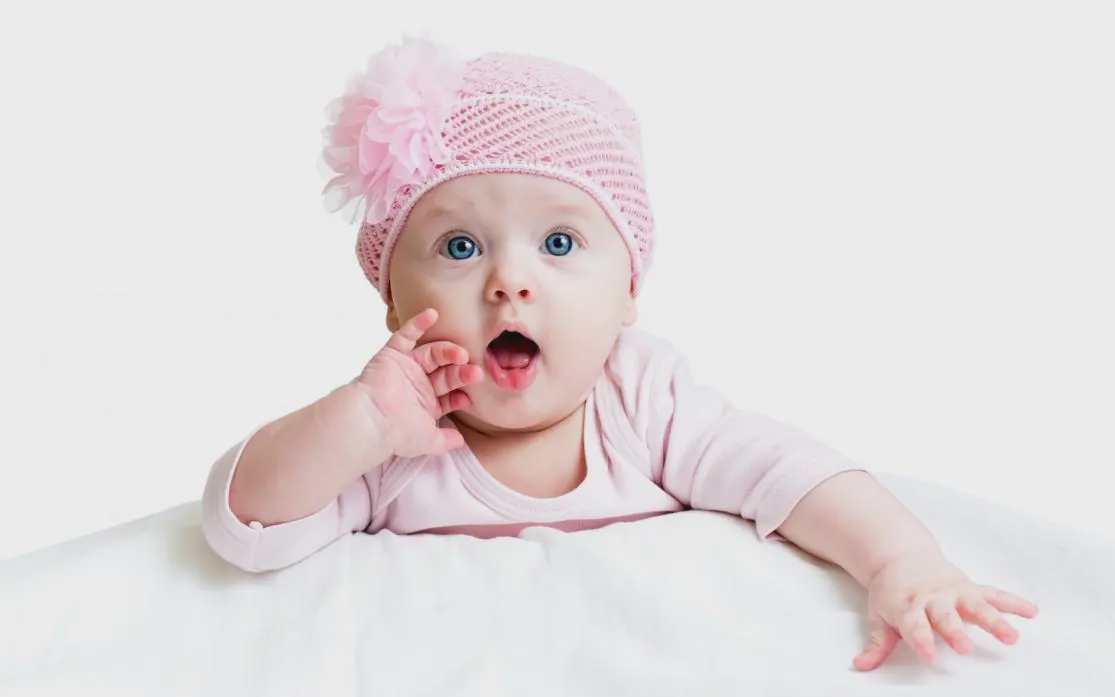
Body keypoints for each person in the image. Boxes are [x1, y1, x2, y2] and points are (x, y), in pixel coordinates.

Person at [199, 36, 1037, 671]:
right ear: (392, 300)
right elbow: (245, 526)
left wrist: (902, 562)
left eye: (559, 242)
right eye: (458, 247)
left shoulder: (642, 402)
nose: (508, 281)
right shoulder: (396, 438)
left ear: (628, 290)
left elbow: (791, 472)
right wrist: (357, 421)